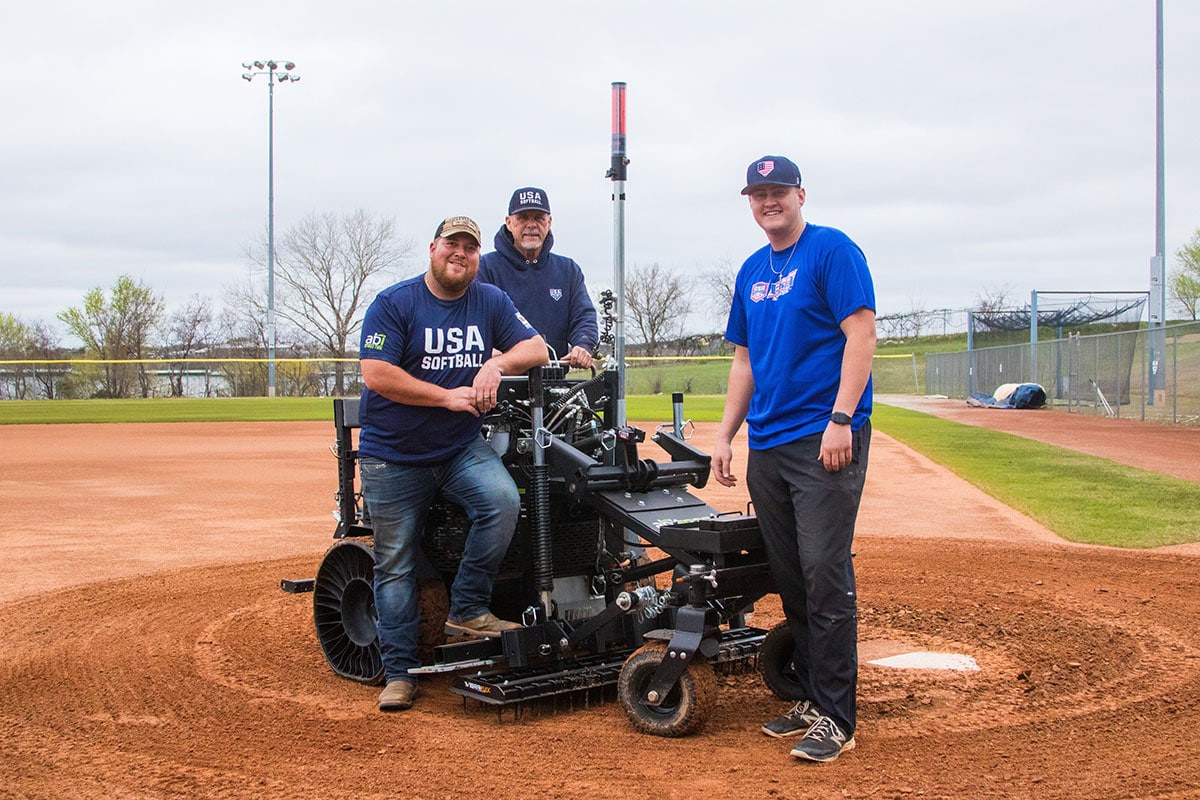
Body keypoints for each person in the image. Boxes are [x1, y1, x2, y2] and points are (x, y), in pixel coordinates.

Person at [712, 156, 876, 762]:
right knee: (790, 576)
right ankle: (811, 695)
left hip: (823, 438)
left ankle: (837, 718)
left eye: (778, 190)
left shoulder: (832, 250)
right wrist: (726, 435)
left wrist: (841, 419)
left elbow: (861, 334)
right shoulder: (753, 270)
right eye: (757, 194)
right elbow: (745, 362)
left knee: (824, 573)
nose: (768, 201)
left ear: (800, 194)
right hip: (769, 445)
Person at [357, 215, 549, 713]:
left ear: (478, 255)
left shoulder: (489, 300)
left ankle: (466, 608)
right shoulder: (395, 303)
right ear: (432, 249)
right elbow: (376, 374)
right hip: (393, 454)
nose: (460, 253)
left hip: (459, 448)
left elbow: (537, 347)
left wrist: (495, 364)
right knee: (396, 563)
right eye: (452, 244)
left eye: (470, 246)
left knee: (503, 501)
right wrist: (445, 397)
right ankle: (399, 673)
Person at [478, 187, 598, 369]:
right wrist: (488, 350)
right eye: (523, 218)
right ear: (509, 223)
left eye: (539, 218)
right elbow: (473, 319)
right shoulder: (485, 268)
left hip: (554, 376)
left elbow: (583, 316)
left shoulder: (568, 270)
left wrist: (583, 344)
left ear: (549, 222)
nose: (531, 225)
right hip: (501, 378)